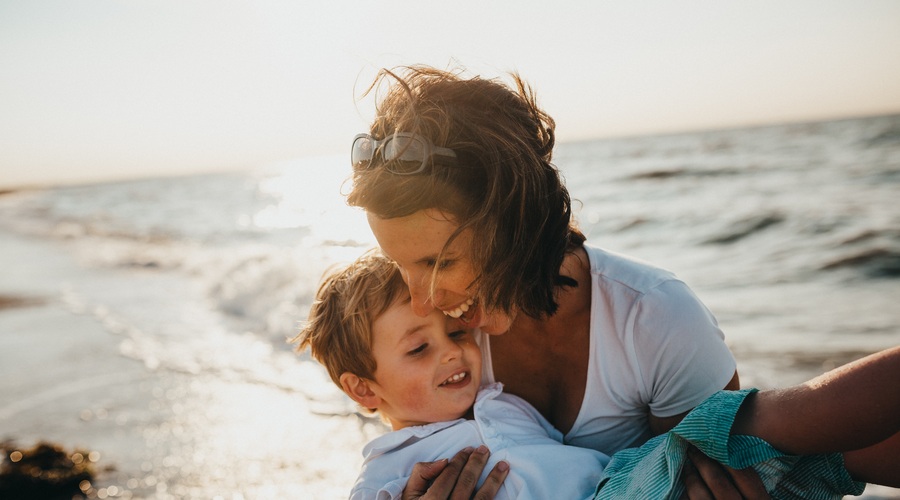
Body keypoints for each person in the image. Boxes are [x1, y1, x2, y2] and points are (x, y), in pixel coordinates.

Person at [345, 64, 748, 497]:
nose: (421, 302)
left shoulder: (656, 321)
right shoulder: (438, 342)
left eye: (439, 263)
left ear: (515, 224)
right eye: (399, 264)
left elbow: (716, 482)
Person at [294, 250, 900, 499]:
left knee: (826, 455)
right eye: (418, 351)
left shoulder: (500, 402)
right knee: (760, 424)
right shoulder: (387, 472)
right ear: (363, 389)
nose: (454, 352)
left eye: (454, 333)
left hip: (630, 482)